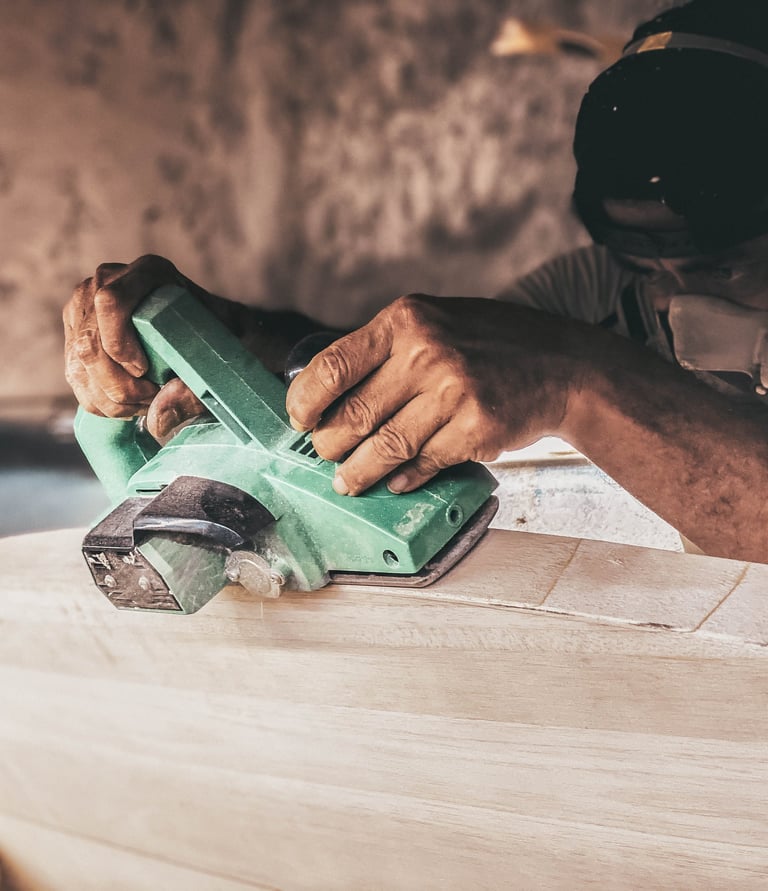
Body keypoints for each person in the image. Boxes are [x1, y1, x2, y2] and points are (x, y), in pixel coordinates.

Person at [63, 0, 768, 563]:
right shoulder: (595, 293)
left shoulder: (579, 340)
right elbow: (437, 383)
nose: (675, 286)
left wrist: (575, 378)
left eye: (720, 260)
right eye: (644, 254)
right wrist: (232, 338)